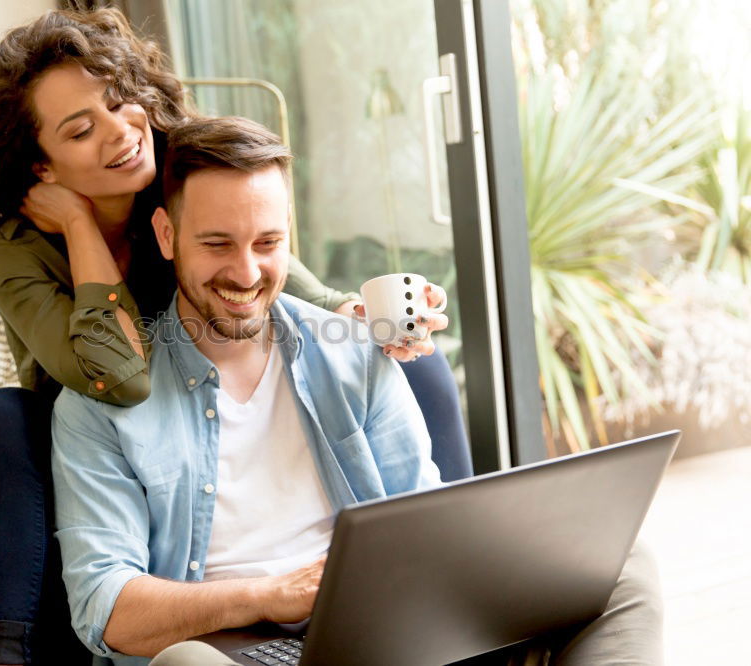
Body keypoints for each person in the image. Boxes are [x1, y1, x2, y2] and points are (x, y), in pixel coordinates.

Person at [0, 8, 462, 665]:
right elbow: (121, 377)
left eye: (118, 102)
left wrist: (367, 321)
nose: (120, 133)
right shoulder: (9, 249)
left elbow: (287, 283)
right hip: (96, 399)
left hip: (200, 366)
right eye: (81, 130)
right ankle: (7, 658)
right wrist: (78, 226)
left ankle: (460, 570)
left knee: (407, 361)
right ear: (41, 165)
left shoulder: (181, 173)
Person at [51, 116, 664, 666]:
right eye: (216, 244)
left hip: (389, 634)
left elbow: (426, 523)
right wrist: (267, 596)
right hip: (238, 654)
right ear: (166, 235)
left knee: (619, 568)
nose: (245, 273)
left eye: (267, 244)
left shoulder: (353, 352)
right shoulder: (100, 401)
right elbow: (104, 608)